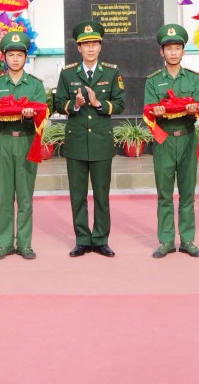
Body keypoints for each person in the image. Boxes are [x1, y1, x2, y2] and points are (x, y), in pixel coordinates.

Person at [54, 20, 125, 257]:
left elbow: (120, 104)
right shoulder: (67, 74)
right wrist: (74, 104)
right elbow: (58, 103)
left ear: (100, 46)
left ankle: (101, 239)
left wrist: (98, 103)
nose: (91, 48)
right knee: (78, 195)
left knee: (101, 195)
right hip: (76, 142)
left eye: (95, 43)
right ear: (79, 48)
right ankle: (82, 239)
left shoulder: (112, 72)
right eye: (86, 44)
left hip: (101, 142)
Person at [0, 31, 47, 260]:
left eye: (20, 55)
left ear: (26, 57)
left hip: (27, 140)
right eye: (11, 55)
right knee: (5, 194)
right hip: (3, 140)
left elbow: (42, 113)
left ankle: (25, 244)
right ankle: (4, 243)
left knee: (25, 196)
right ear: (4, 57)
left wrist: (31, 116)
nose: (15, 59)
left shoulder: (35, 85)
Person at [143, 24, 199, 258]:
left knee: (188, 192)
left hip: (187, 137)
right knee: (165, 194)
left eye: (177, 48)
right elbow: (148, 111)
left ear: (183, 51)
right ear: (162, 52)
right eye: (168, 48)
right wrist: (157, 112)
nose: (173, 52)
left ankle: (188, 240)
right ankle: (167, 241)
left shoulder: (193, 79)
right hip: (164, 140)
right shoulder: (153, 81)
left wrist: (192, 111)